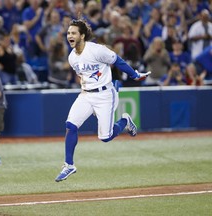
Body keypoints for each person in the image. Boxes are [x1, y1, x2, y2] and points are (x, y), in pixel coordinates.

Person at [54, 19, 151, 182]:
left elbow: (117, 60)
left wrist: (134, 75)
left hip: (105, 95)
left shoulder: (97, 50)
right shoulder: (72, 58)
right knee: (70, 125)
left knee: (105, 137)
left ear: (82, 36)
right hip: (86, 95)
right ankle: (69, 165)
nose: (69, 35)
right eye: (68, 33)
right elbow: (84, 76)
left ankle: (125, 121)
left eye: (73, 33)